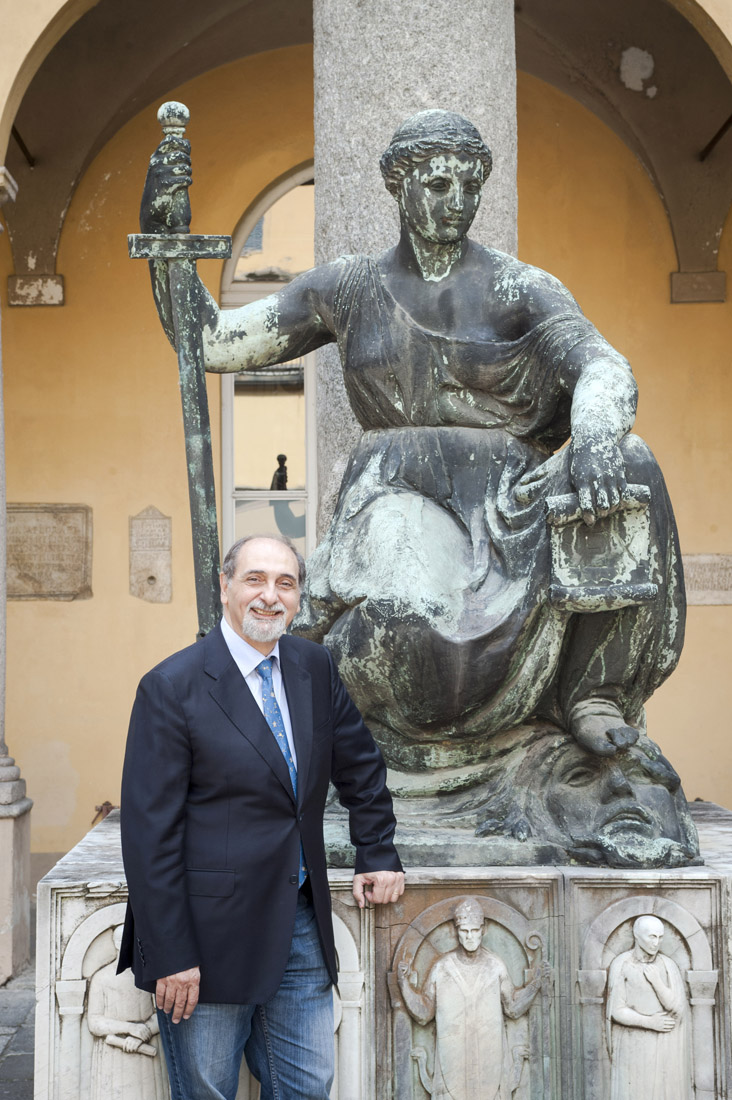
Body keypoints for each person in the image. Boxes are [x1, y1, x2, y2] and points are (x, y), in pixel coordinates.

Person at [139, 107, 685, 802]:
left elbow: (601, 364)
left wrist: (599, 432)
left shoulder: (518, 287)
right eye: (438, 185)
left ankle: (594, 692)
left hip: (512, 503)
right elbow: (212, 342)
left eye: (470, 187)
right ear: (399, 186)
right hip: (402, 494)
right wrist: (164, 238)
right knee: (410, 621)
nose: (457, 203)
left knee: (633, 461)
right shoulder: (348, 286)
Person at [118, 534, 405, 1100]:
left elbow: (360, 765)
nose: (270, 596)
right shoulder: (171, 687)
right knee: (208, 1091)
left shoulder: (314, 667)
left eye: (285, 583)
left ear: (298, 598)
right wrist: (171, 953)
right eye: (255, 579)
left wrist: (377, 851)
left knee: (308, 1086)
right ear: (225, 587)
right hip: (207, 940)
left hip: (301, 923)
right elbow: (149, 836)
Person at [397, 897, 549, 1099]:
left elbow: (512, 1007)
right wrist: (403, 983)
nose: (470, 936)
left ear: (483, 930)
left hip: (489, 1064)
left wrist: (535, 985)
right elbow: (424, 1012)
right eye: (465, 931)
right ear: (456, 932)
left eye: (475, 930)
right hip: (452, 1066)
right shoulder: (442, 968)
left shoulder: (495, 966)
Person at [606, 915, 692, 1100]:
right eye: (652, 936)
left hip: (664, 1045)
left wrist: (657, 982)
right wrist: (649, 1022)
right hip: (633, 1044)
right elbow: (616, 1010)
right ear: (637, 935)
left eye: (660, 937)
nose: (656, 943)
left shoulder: (668, 965)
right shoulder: (622, 964)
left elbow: (677, 1007)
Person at [87, 925, 168, 1100]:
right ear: (117, 944)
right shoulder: (102, 978)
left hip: (147, 1050)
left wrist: (142, 1033)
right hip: (112, 1055)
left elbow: (162, 1011)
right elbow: (94, 1022)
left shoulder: (149, 975)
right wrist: (130, 1029)